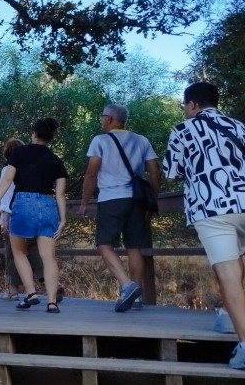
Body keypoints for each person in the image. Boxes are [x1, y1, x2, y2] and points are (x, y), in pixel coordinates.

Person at [162, 82, 245, 369]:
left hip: (211, 207)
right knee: (241, 265)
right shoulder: (239, 127)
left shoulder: (182, 131)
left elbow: (172, 172)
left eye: (185, 105)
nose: (184, 110)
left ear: (193, 104)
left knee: (228, 274)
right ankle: (225, 317)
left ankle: (244, 345)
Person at [78, 104, 160, 313]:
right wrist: (153, 198)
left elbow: (91, 174)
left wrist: (84, 202)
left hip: (111, 198)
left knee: (104, 244)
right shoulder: (142, 140)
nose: (101, 120)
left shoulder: (101, 141)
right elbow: (154, 171)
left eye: (102, 116)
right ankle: (137, 297)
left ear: (111, 119)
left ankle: (127, 285)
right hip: (136, 199)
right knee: (135, 246)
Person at [0, 118, 68, 314]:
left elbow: (8, 178)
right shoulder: (56, 160)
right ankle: (51, 302)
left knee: (19, 252)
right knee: (48, 256)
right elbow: (60, 194)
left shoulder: (19, 153)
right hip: (48, 204)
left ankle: (31, 293)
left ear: (34, 134)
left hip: (23, 204)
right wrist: (63, 219)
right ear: (50, 138)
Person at [0, 138, 45, 301]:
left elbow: (6, 196)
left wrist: (4, 219)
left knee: (13, 254)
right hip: (32, 214)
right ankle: (48, 280)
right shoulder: (30, 169)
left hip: (14, 216)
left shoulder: (8, 171)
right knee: (33, 250)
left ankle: (13, 290)